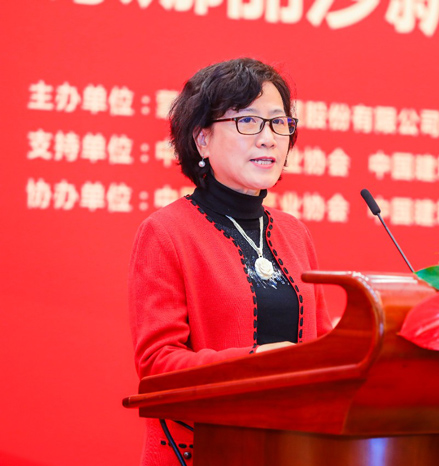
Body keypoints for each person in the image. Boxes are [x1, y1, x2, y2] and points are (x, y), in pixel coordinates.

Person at [128, 58, 333, 466]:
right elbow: (157, 365)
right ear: (202, 139)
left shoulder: (295, 233)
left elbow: (323, 348)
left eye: (278, 123)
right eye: (248, 121)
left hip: (293, 450)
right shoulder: (166, 232)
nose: (268, 138)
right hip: (202, 451)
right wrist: (255, 363)